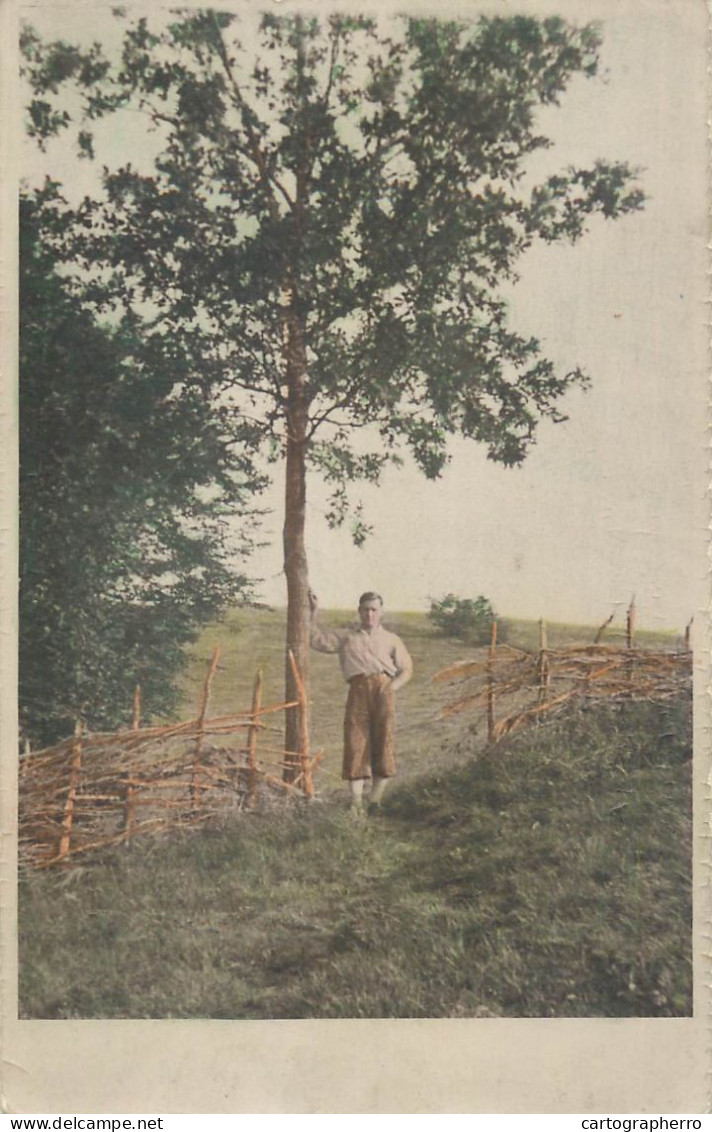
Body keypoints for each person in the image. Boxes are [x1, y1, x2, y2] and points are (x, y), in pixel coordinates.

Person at [308, 589, 413, 814]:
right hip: (357, 691)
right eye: (365, 610)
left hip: (383, 689)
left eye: (374, 610)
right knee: (356, 741)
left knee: (383, 740)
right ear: (359, 612)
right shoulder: (347, 637)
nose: (369, 615)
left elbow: (406, 669)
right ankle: (356, 804)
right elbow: (316, 640)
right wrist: (314, 611)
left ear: (381, 612)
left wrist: (390, 689)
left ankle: (375, 802)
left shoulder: (391, 639)